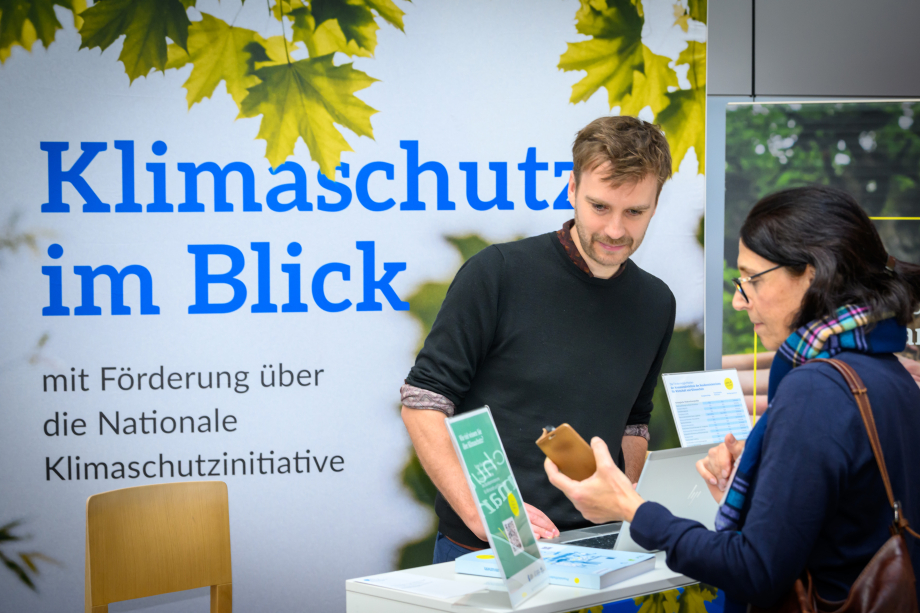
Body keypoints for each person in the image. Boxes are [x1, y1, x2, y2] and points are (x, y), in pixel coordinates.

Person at [545, 185, 920, 609]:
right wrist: (766, 483)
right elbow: (846, 521)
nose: (741, 301)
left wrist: (633, 509)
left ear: (812, 275)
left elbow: (754, 570)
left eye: (752, 280)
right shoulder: (888, 372)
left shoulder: (815, 390)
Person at [401, 116, 677, 564]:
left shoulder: (657, 302)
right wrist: (484, 514)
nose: (614, 230)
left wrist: (621, 507)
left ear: (655, 204)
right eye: (600, 207)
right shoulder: (497, 273)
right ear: (571, 190)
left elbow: (634, 423)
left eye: (635, 212)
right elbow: (423, 402)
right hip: (483, 548)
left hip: (600, 549)